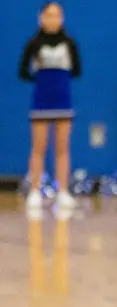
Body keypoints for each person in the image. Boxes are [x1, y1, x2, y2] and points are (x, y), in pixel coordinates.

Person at [17, 1, 80, 210]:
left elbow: (76, 70)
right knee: (38, 147)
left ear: (62, 18)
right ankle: (35, 191)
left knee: (62, 148)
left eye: (57, 15)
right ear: (41, 18)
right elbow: (23, 71)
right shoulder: (33, 44)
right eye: (49, 15)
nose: (53, 19)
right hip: (41, 102)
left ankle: (63, 191)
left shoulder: (69, 44)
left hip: (63, 101)